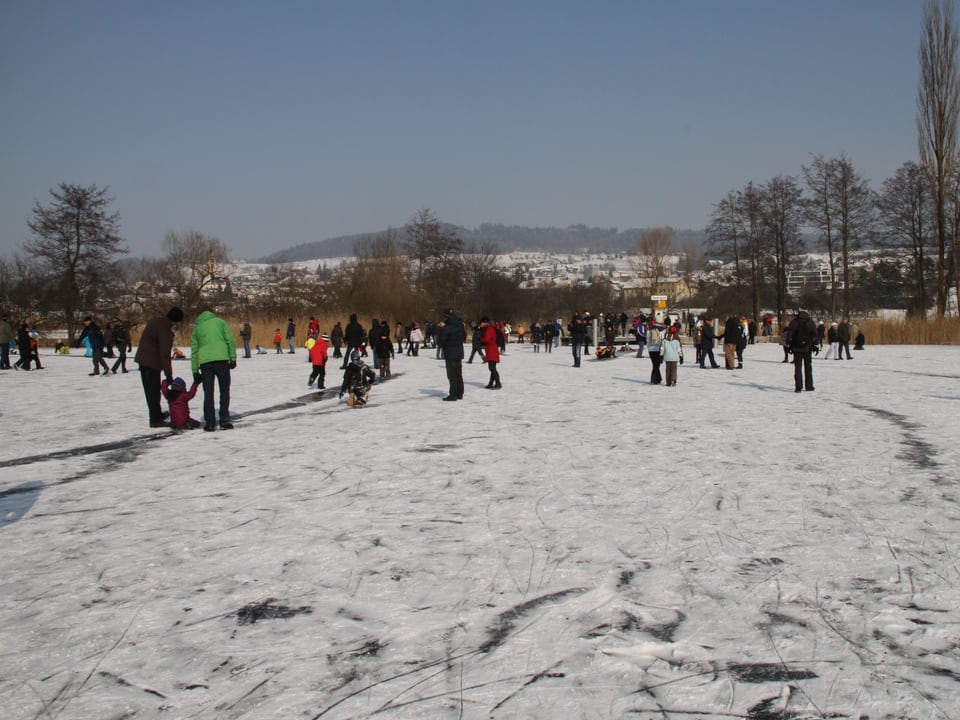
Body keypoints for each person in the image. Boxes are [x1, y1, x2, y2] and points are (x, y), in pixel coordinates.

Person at [135, 306, 183, 427]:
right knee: (153, 392)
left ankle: (156, 414)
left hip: (143, 360)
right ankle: (155, 419)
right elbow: (165, 355)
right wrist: (169, 375)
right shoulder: (165, 330)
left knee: (150, 390)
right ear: (176, 321)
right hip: (152, 363)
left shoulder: (155, 321)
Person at [191, 309, 237, 431]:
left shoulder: (197, 328)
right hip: (222, 360)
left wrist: (195, 370)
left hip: (205, 363)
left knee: (208, 393)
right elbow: (230, 340)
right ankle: (224, 420)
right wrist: (232, 358)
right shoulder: (220, 322)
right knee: (224, 390)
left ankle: (210, 422)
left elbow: (194, 350)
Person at [785, 309, 817, 393]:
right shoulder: (810, 322)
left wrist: (788, 344)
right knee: (808, 367)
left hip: (796, 348)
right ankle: (809, 386)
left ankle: (798, 387)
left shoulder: (794, 322)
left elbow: (789, 334)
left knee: (798, 368)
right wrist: (815, 345)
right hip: (807, 348)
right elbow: (814, 334)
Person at [438, 308, 466, 401]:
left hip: (450, 353)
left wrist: (440, 330)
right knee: (458, 374)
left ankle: (453, 394)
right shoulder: (460, 326)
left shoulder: (446, 328)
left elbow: (441, 341)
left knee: (451, 375)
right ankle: (460, 393)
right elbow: (464, 337)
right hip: (459, 352)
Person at [479, 317, 502, 389]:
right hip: (492, 349)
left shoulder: (489, 329)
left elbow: (487, 339)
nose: (481, 324)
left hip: (491, 349)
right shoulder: (491, 328)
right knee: (493, 368)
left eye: (482, 323)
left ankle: (498, 383)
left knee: (492, 368)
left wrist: (481, 339)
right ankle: (491, 383)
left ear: (485, 323)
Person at [647, 318, 665, 384]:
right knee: (656, 365)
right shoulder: (661, 331)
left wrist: (649, 347)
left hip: (651, 350)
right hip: (657, 349)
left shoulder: (649, 331)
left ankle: (658, 378)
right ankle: (654, 379)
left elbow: (647, 340)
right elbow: (662, 339)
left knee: (654, 364)